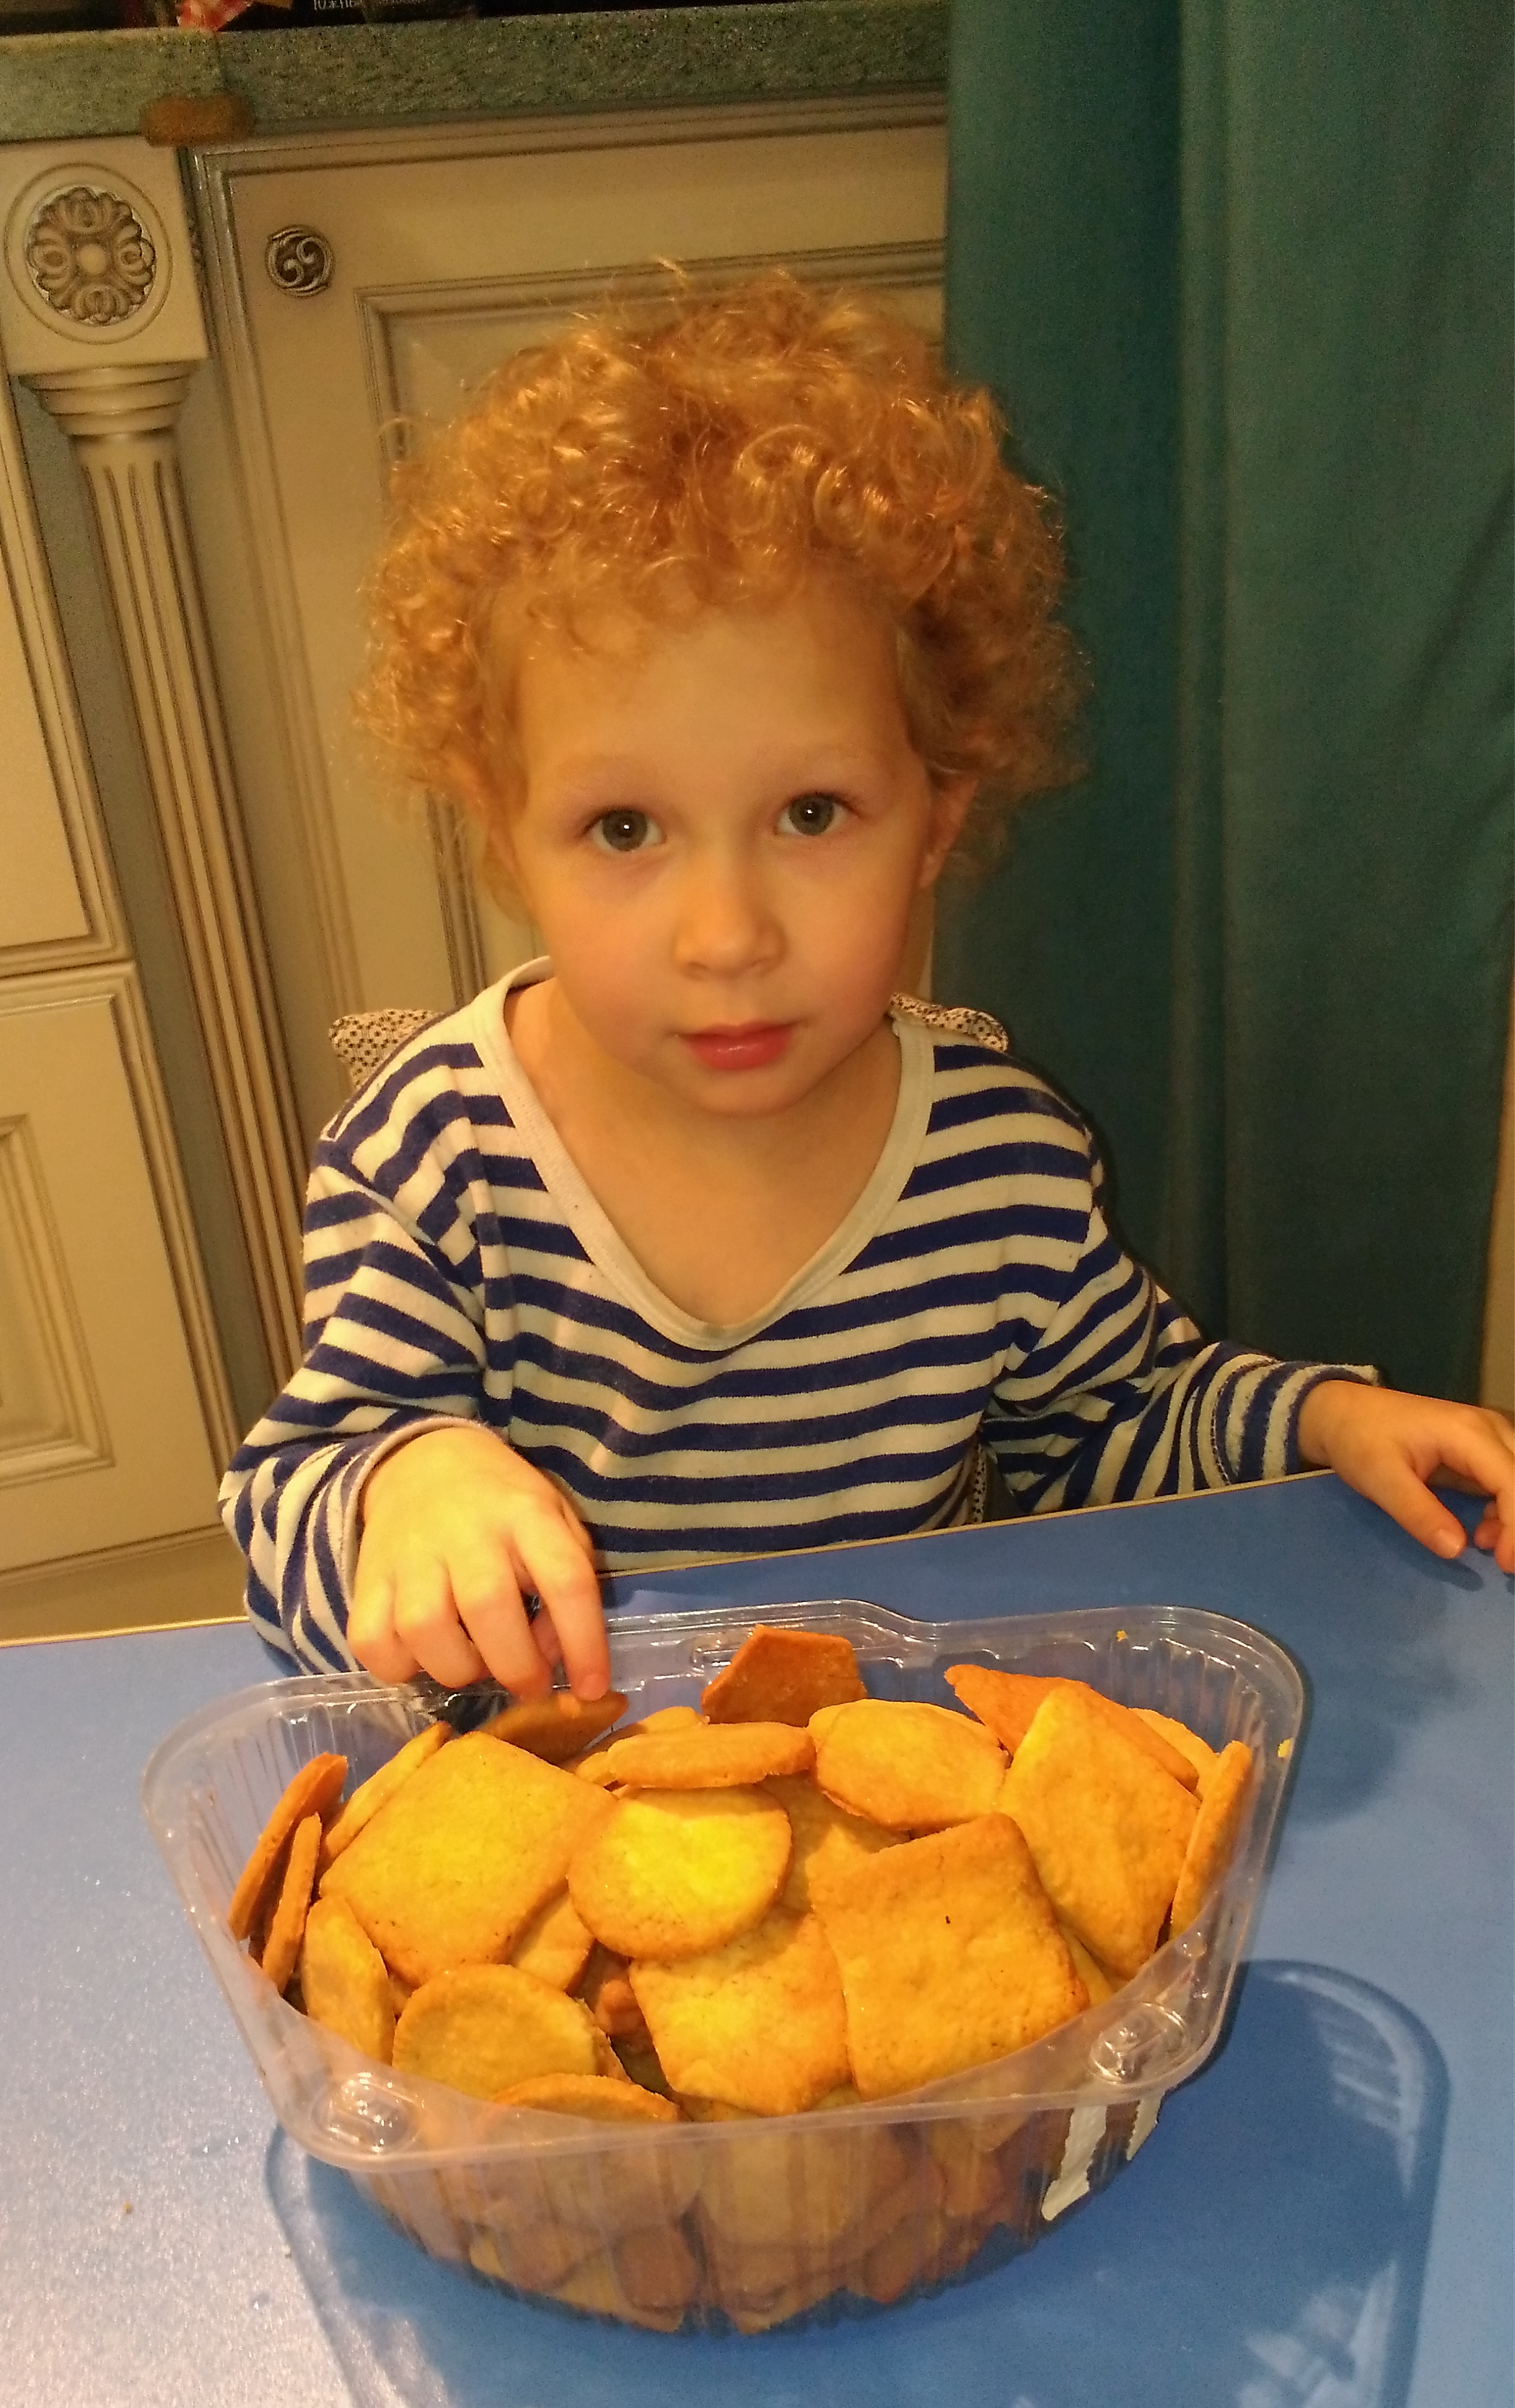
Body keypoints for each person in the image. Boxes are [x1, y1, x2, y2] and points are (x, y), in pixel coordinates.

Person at [220, 275, 1514, 1695]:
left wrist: (1326, 1423)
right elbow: (289, 1507)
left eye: (812, 814)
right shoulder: (434, 1158)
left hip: (901, 1766)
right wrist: (406, 1484)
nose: (727, 936)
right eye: (626, 828)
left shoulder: (1000, 1163)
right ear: (503, 832)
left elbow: (1115, 1422)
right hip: (576, 1774)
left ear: (936, 821)